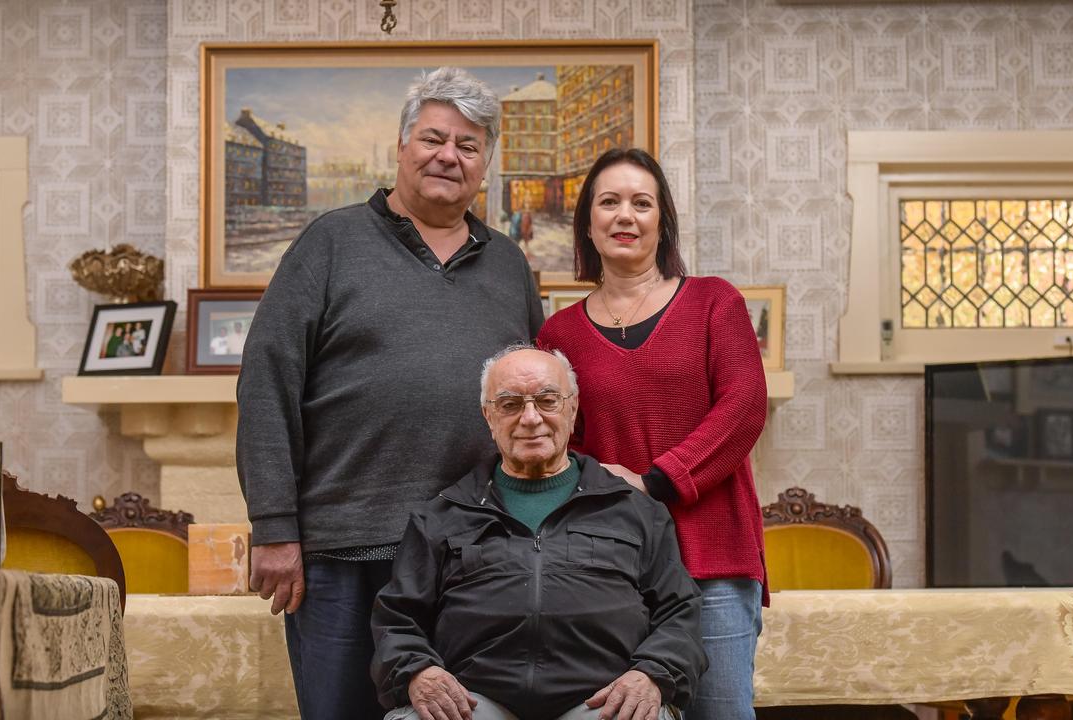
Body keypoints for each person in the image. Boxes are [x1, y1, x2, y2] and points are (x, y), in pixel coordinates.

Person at [236, 67, 543, 720]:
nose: (447, 156)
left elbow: (538, 404)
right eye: (434, 138)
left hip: (476, 556)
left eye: (467, 145)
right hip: (342, 552)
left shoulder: (510, 265)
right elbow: (267, 384)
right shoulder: (330, 243)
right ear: (401, 148)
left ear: (485, 163)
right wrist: (273, 526)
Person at [536, 148, 768, 720]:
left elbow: (744, 407)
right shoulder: (559, 332)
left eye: (642, 203)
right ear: (587, 223)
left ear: (662, 221)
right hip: (615, 571)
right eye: (608, 202)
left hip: (713, 558)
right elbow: (561, 444)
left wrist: (654, 480)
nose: (625, 216)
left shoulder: (715, 301)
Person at [372, 346, 705, 720]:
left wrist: (652, 675)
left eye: (547, 400)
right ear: (488, 416)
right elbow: (398, 619)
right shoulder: (441, 515)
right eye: (510, 404)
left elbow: (681, 612)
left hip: (602, 701)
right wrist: (418, 672)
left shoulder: (636, 510)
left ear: (573, 408)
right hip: (473, 701)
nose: (530, 418)